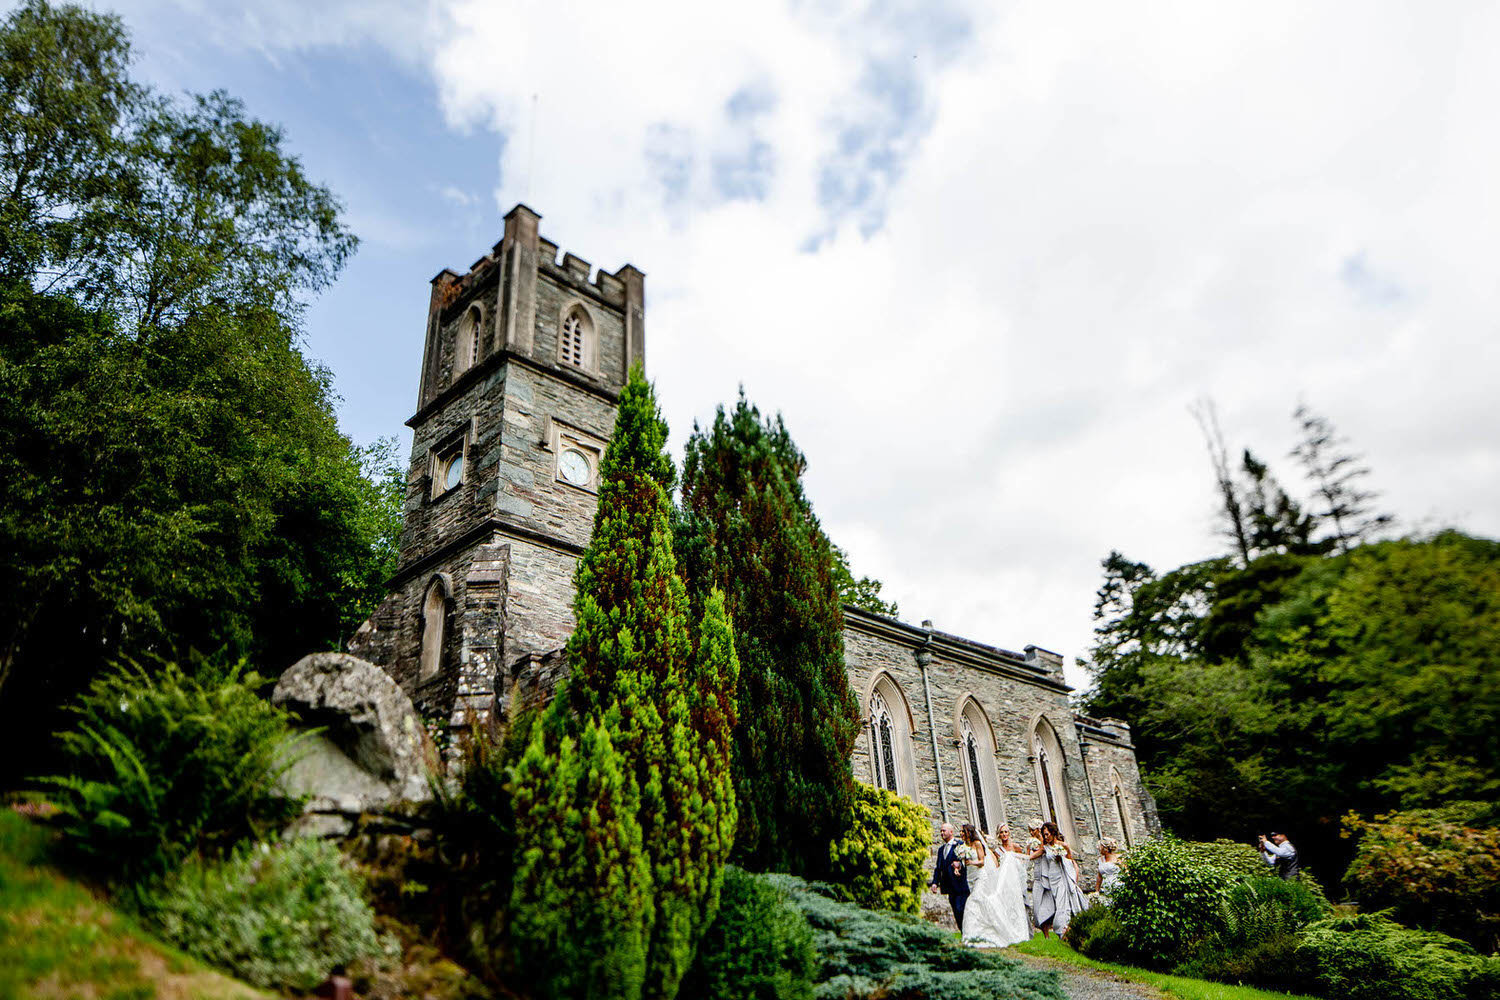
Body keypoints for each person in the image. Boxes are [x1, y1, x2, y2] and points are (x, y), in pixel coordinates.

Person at [1028, 821, 1087, 937]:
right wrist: (1017, 856)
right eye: (1044, 835)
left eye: (1047, 834)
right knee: (1049, 905)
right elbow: (1032, 856)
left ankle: (1061, 930)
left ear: (1053, 833)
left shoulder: (1063, 846)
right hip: (1050, 879)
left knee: (1062, 904)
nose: (1046, 837)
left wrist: (1063, 860)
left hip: (1061, 878)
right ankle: (1052, 929)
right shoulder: (1045, 847)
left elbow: (1071, 862)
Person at [929, 822, 970, 929]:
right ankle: (963, 934)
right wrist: (934, 883)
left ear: (951, 832)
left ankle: (969, 932)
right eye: (941, 831)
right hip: (949, 887)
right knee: (956, 911)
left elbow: (968, 862)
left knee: (961, 910)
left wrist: (960, 865)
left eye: (944, 830)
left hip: (960, 885)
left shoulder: (960, 845)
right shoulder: (941, 850)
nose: (942, 833)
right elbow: (938, 868)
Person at [1096, 836, 1122, 901]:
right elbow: (1099, 877)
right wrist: (1097, 891)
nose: (1099, 849)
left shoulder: (1118, 858)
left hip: (1118, 886)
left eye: (1100, 847)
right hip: (1107, 888)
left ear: (1105, 848)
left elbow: (1125, 871)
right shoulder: (1100, 860)